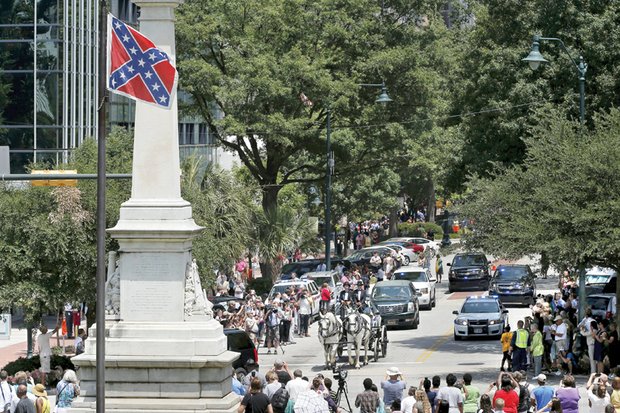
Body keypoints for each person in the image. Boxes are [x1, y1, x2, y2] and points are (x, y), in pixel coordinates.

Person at [577, 308, 596, 374]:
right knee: (591, 358)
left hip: (592, 341)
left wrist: (582, 332)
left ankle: (593, 372)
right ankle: (592, 372)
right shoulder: (585, 320)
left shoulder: (592, 321)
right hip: (588, 341)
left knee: (592, 358)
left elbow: (591, 332)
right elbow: (579, 325)